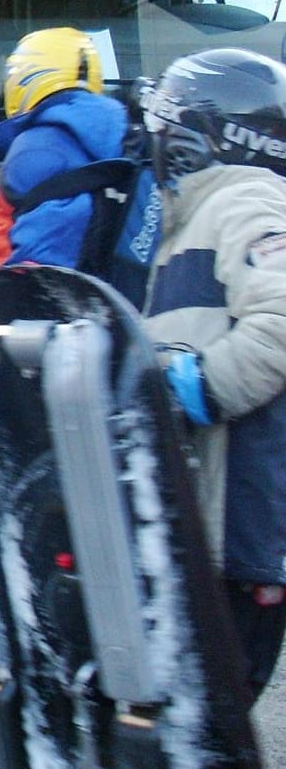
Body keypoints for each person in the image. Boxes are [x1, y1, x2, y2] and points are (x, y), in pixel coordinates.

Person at [138, 46, 286, 707]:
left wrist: (194, 388)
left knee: (212, 711)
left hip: (240, 522)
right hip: (204, 514)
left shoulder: (248, 200)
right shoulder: (187, 219)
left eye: (167, 127)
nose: (157, 142)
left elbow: (280, 318)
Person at [0, 27, 161, 304]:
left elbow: (31, 262)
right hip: (128, 315)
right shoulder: (131, 133)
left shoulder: (34, 150)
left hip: (61, 325)